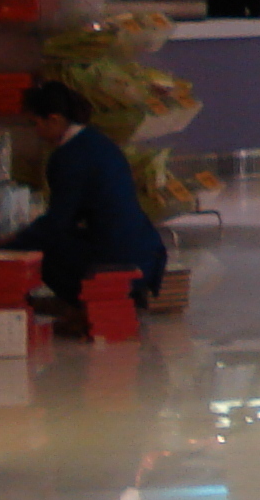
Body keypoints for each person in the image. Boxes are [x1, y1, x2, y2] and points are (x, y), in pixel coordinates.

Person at [12, 80, 168, 330]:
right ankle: (118, 299)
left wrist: (11, 247)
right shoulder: (99, 143)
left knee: (42, 253)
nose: (36, 131)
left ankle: (86, 306)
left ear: (53, 120)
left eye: (36, 123)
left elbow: (58, 223)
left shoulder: (67, 158)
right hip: (146, 251)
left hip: (116, 256)